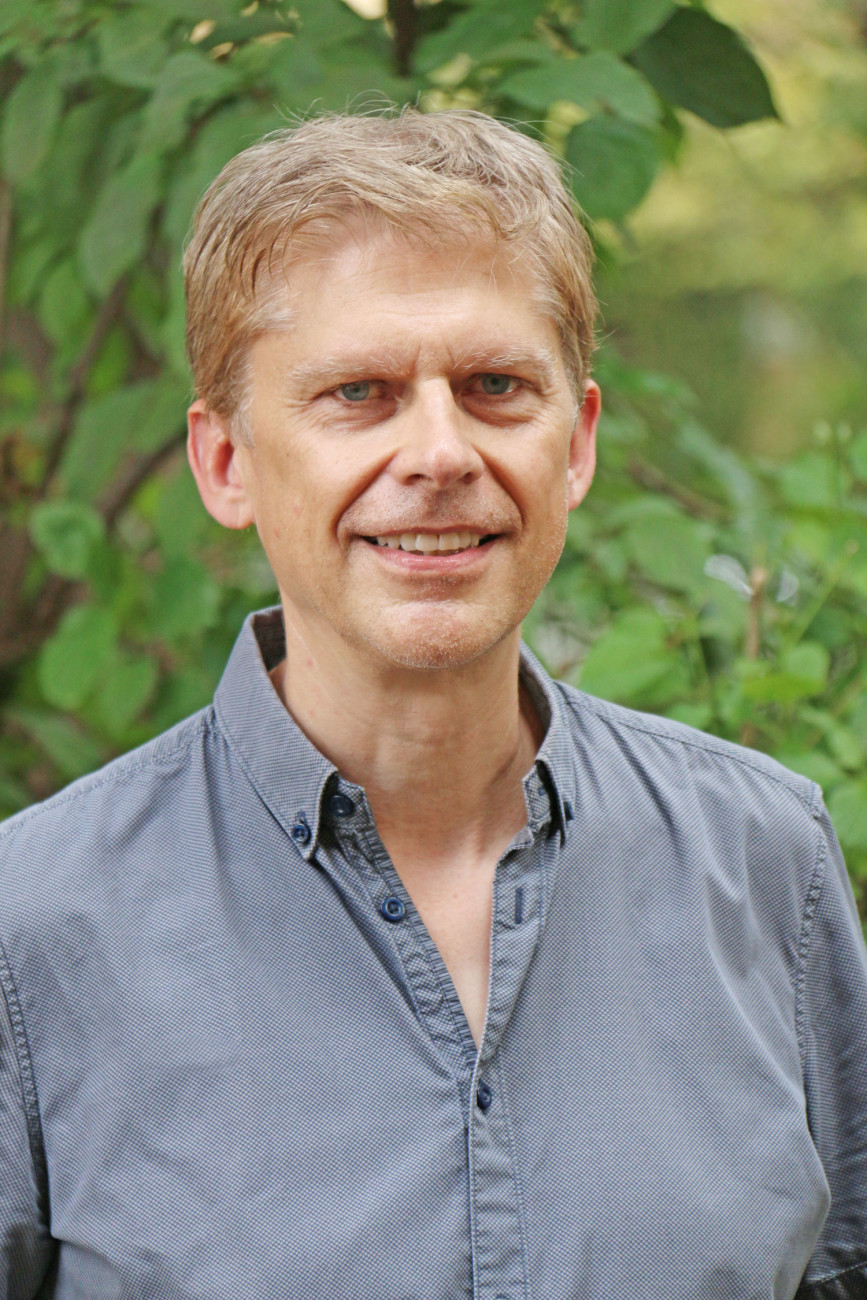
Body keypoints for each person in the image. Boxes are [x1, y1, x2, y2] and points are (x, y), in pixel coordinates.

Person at [0, 108, 865, 1300]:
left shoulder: (767, 864)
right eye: (358, 392)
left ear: (576, 444)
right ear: (226, 462)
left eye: (496, 385)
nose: (441, 453)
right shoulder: (33, 929)